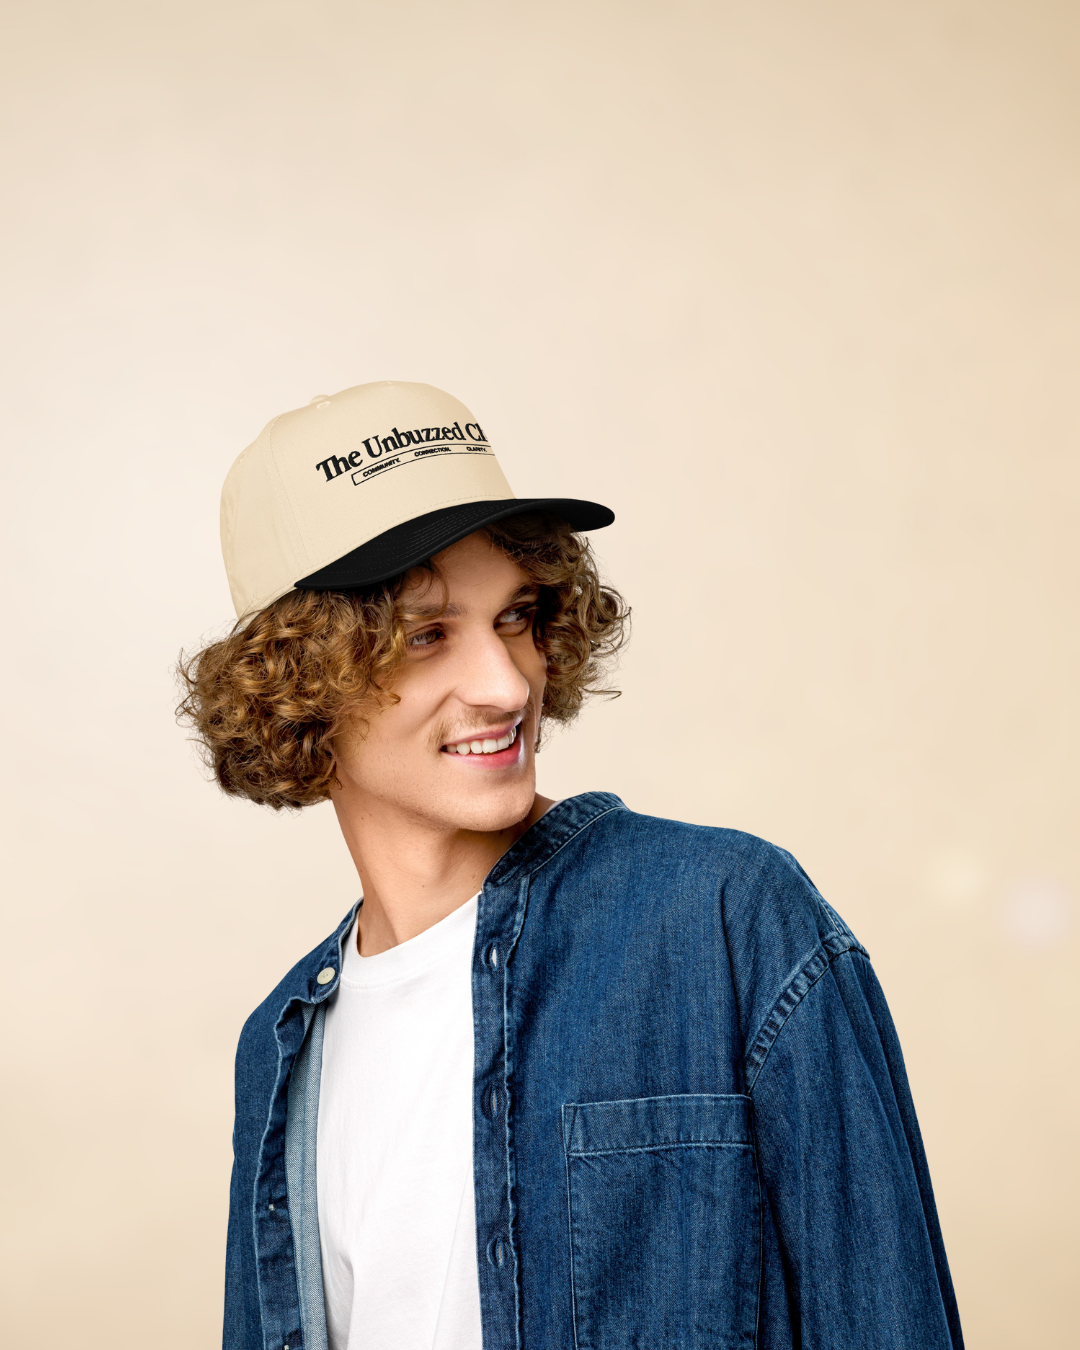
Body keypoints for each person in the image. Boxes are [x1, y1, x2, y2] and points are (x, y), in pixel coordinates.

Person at [179, 380, 964, 1350]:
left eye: (518, 616)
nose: (508, 684)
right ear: (297, 680)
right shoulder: (283, 1044)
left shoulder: (725, 919)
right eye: (427, 635)